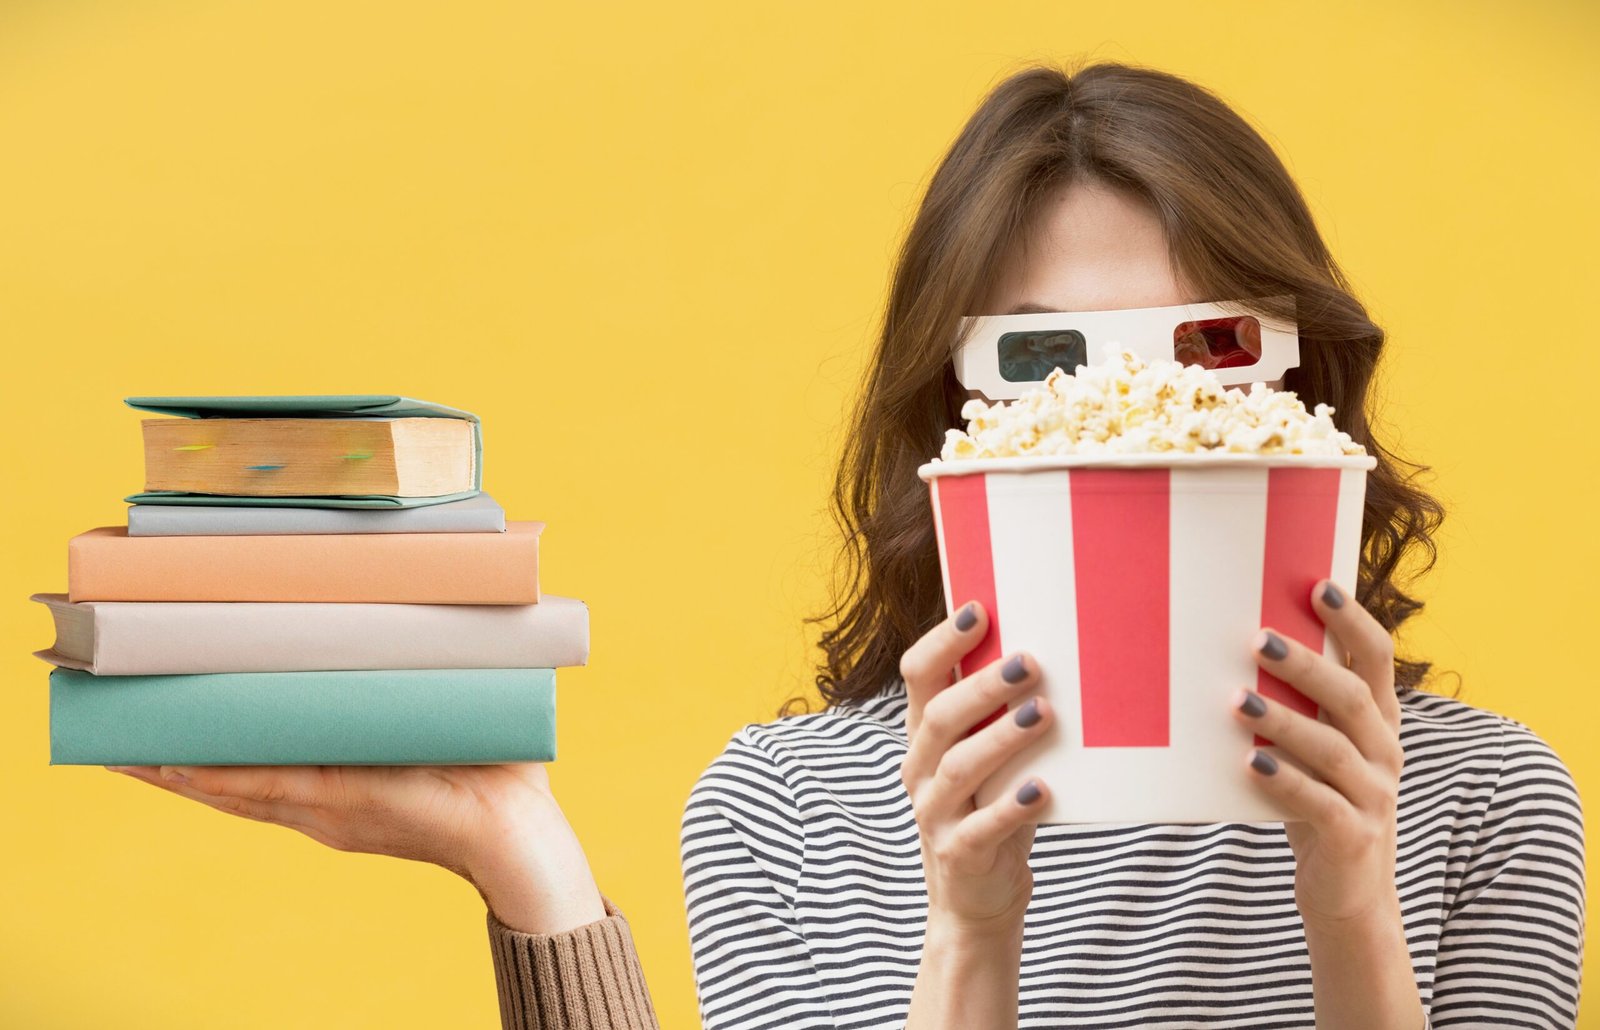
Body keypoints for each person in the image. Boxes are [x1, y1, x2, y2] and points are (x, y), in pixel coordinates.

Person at [108, 61, 1586, 1030]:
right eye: (1051, 367)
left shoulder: (1485, 802)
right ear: (953, 427)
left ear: (1302, 395)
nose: (1132, 435)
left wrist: (1347, 908)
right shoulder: (789, 816)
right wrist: (970, 936)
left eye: (1205, 353)